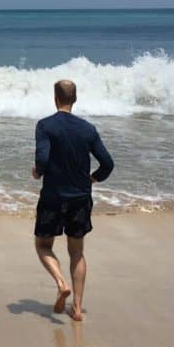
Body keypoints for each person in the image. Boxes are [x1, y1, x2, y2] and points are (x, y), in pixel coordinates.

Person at [32, 80, 114, 321]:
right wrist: (93, 179)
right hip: (80, 198)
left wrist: (38, 171)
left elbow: (43, 160)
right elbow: (108, 164)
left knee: (43, 245)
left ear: (55, 98)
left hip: (53, 197)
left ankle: (60, 283)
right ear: (74, 99)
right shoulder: (88, 129)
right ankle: (77, 309)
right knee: (76, 252)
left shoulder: (45, 125)